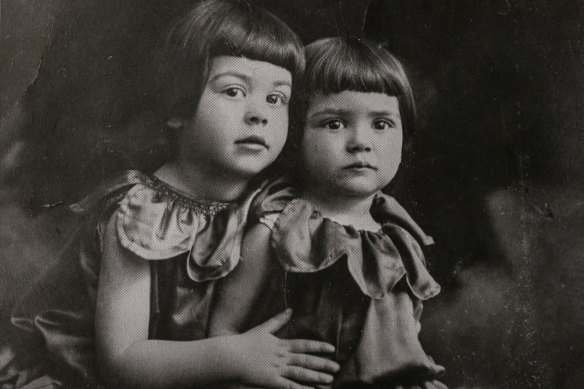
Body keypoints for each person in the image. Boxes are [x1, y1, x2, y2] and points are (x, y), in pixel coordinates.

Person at [8, 2, 340, 388]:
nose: (259, 114)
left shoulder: (269, 203)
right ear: (178, 107)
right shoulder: (142, 213)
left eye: (276, 98)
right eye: (234, 90)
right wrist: (237, 356)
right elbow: (123, 362)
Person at [209, 37, 447, 388]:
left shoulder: (399, 236)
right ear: (296, 133)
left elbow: (405, 338)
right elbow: (222, 331)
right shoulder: (279, 229)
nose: (360, 142)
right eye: (334, 123)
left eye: (381, 124)